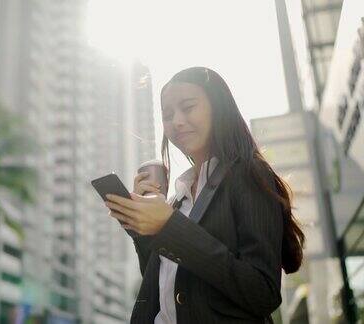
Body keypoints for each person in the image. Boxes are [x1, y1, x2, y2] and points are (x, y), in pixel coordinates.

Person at [105, 67, 305, 323]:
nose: (176, 121)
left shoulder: (247, 173)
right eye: (167, 115)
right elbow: (170, 285)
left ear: (218, 108)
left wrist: (169, 227)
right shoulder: (178, 197)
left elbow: (262, 292)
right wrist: (143, 231)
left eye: (188, 107)